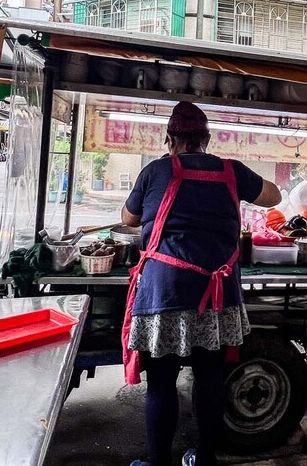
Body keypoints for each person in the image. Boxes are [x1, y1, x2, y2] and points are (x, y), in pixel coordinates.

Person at [121, 101, 281, 466]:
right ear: (206, 139)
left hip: (166, 292)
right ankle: (205, 458)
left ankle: (159, 462)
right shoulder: (232, 171)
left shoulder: (155, 171)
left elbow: (129, 218)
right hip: (216, 296)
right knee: (210, 378)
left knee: (162, 382)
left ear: (169, 138)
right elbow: (274, 196)